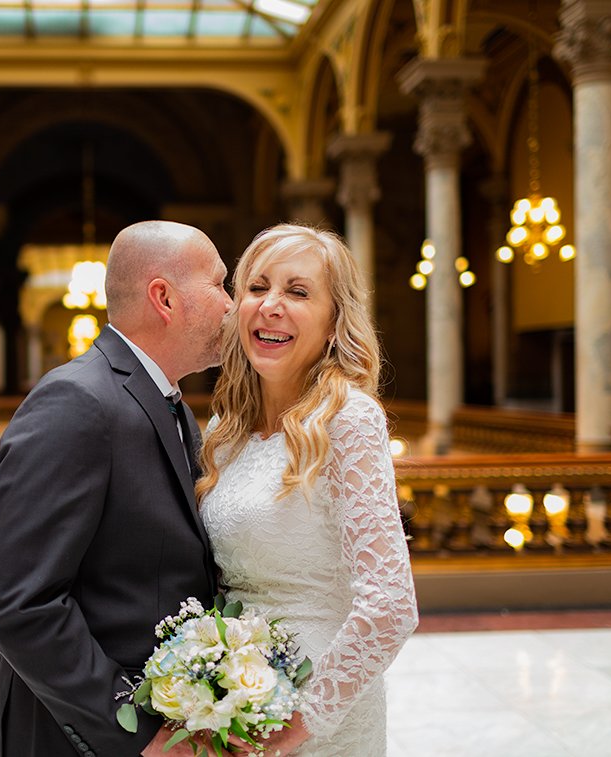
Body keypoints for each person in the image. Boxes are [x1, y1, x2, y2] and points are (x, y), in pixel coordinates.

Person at [0, 220, 232, 756]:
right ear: (164, 298)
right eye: (219, 285)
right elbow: (20, 603)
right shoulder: (76, 402)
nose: (232, 306)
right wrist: (135, 730)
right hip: (77, 738)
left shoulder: (175, 407)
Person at [197, 224, 418, 756]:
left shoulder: (350, 421)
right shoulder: (223, 431)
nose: (271, 305)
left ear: (333, 322)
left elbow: (390, 606)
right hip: (233, 701)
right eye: (257, 287)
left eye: (297, 292)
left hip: (319, 712)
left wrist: (299, 723)